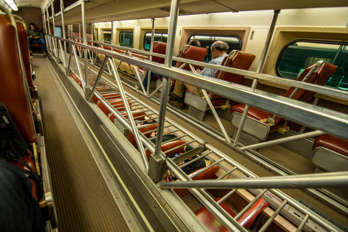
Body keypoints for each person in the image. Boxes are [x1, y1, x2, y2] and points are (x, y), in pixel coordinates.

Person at [170, 40, 229, 108]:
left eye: (211, 52)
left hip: (206, 91)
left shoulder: (215, 62)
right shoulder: (228, 60)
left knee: (181, 76)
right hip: (222, 92)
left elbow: (202, 79)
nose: (211, 54)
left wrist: (197, 74)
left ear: (215, 50)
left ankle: (177, 101)